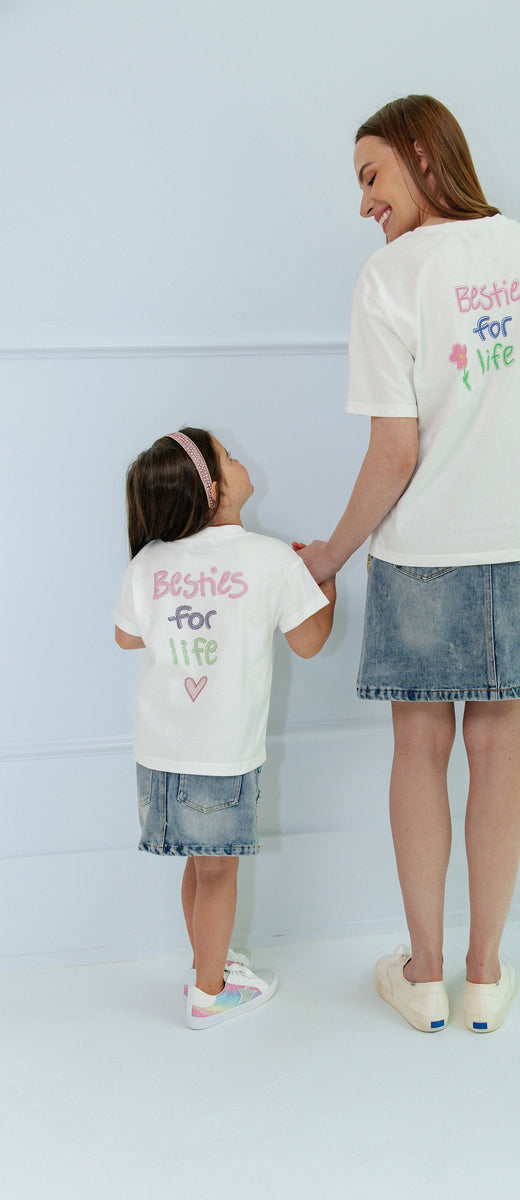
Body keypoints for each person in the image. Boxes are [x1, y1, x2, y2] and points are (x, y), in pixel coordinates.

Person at [297, 95, 520, 1034]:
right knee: (501, 753)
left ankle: (423, 978)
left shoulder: (391, 276)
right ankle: (484, 978)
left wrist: (328, 556)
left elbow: (394, 451)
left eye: (371, 176)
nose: (363, 204)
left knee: (420, 752)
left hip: (422, 555)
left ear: (423, 154)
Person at [115, 427, 335, 1029]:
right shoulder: (270, 558)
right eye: (229, 456)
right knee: (218, 870)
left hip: (158, 749)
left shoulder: (150, 560)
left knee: (198, 862)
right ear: (213, 490)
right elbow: (311, 642)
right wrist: (325, 584)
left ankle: (204, 964)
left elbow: (127, 637)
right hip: (221, 751)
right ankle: (210, 994)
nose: (241, 459)